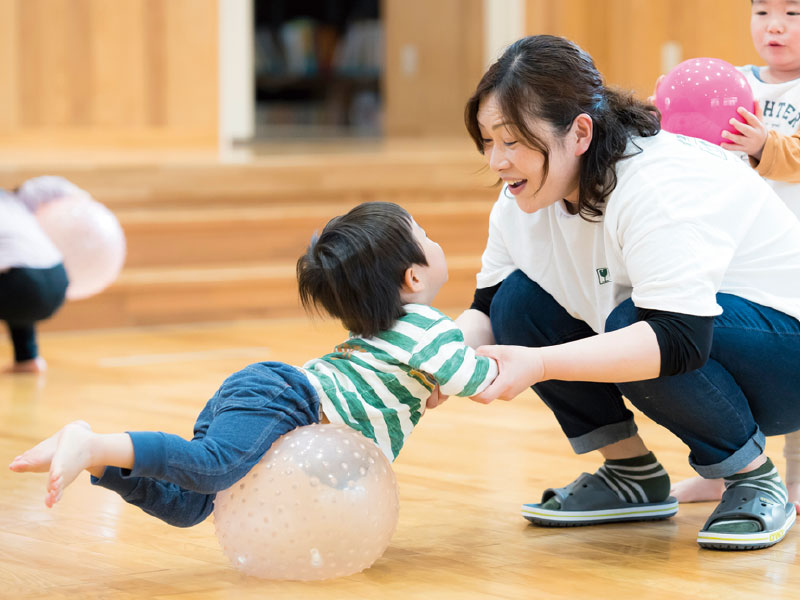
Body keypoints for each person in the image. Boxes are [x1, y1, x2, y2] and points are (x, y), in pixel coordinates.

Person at [457, 34, 800, 550]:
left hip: (783, 353)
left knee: (634, 323)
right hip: (702, 336)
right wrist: (437, 360)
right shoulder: (519, 201)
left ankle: (752, 477)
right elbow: (486, 309)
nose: (497, 161)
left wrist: (541, 364)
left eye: (513, 141)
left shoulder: (656, 183)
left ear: (579, 132)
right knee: (517, 303)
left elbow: (678, 340)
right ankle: (631, 474)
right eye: (488, 142)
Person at [9, 201, 498, 527]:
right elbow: (475, 380)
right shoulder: (427, 327)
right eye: (426, 236)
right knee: (210, 467)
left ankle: (100, 461)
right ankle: (91, 439)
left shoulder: (387, 327)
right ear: (413, 277)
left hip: (271, 393)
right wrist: (505, 355)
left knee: (190, 507)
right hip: (285, 400)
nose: (435, 242)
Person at [669, 0, 800, 510]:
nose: (774, 25)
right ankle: (727, 469)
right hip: (737, 251)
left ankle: (793, 479)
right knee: (716, 365)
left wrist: (766, 144)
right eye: (763, 11)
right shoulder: (734, 83)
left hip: (793, 259)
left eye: (793, 14)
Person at [0, 182, 70, 374]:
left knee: (16, 284)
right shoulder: (13, 201)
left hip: (22, 285)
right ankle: (27, 358)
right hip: (59, 280)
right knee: (14, 280)